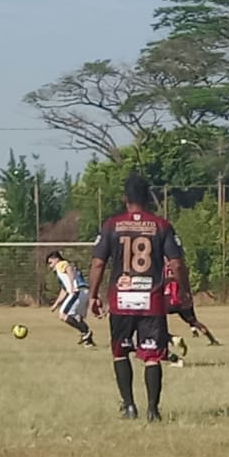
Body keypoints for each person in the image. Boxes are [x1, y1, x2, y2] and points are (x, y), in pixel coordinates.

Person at [90, 173, 182, 421]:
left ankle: (129, 406)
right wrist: (183, 290)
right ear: (148, 198)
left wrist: (93, 296)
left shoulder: (111, 225)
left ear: (124, 198)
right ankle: (153, 410)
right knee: (152, 356)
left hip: (120, 300)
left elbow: (98, 263)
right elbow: (176, 263)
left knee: (120, 351)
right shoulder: (161, 225)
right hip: (151, 301)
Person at [163, 249, 220, 349]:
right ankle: (212, 339)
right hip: (182, 297)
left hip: (167, 298)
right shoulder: (181, 267)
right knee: (194, 321)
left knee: (158, 319)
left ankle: (169, 339)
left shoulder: (162, 267)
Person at [46, 250, 96, 348]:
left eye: (50, 262)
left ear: (56, 259)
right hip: (84, 290)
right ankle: (88, 342)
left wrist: (73, 286)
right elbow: (64, 290)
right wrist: (55, 304)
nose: (50, 266)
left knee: (63, 315)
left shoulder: (60, 264)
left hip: (77, 291)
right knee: (77, 317)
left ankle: (86, 332)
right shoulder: (61, 273)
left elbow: (69, 269)